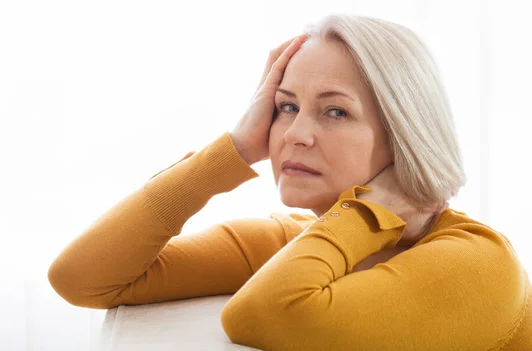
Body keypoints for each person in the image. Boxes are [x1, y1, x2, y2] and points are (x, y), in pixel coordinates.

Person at [48, 14, 531, 350]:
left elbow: (264, 315)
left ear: (405, 135)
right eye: (286, 107)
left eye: (335, 111)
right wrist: (232, 152)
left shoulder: (478, 262)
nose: (295, 135)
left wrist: (369, 211)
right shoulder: (296, 243)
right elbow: (83, 280)